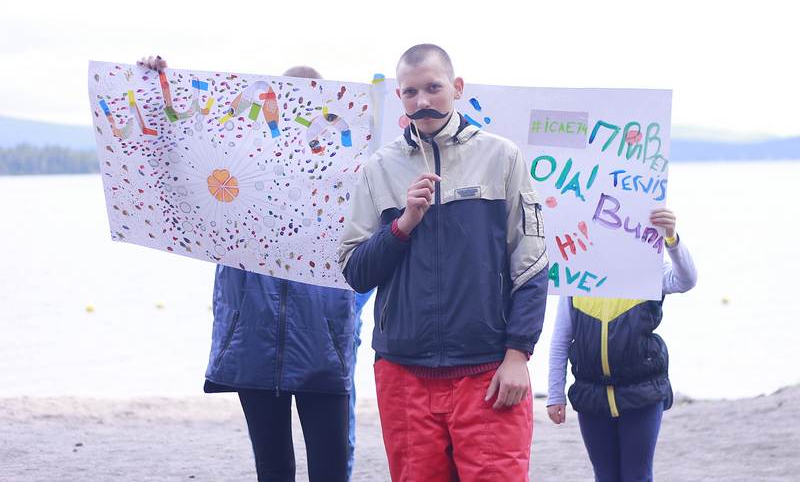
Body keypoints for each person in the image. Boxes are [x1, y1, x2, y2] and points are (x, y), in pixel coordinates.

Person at [137, 55, 372, 482]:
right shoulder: (231, 174)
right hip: (253, 343)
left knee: (331, 468)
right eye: (283, 105)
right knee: (273, 469)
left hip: (323, 342)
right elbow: (173, 165)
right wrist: (157, 90)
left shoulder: (346, 177)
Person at [338, 44, 549, 481]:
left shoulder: (501, 156)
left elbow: (530, 262)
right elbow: (356, 272)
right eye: (411, 92)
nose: (423, 102)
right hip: (403, 372)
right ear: (400, 97)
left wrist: (518, 355)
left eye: (433, 88)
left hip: (488, 370)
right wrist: (403, 224)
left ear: (456, 88)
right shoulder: (379, 168)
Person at [546, 208, 698, 482]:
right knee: (605, 476)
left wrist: (671, 239)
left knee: (637, 476)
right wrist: (555, 393)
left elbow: (686, 280)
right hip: (592, 395)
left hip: (642, 393)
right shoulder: (577, 273)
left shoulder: (646, 268)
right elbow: (560, 339)